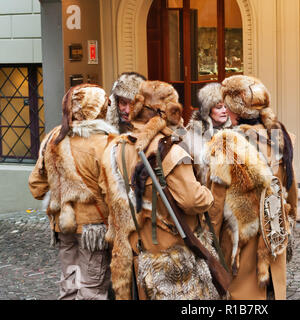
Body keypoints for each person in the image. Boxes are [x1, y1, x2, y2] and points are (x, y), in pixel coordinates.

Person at [100, 80, 219, 300]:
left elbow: (106, 193)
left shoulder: (117, 147)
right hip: (173, 256)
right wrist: (208, 192)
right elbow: (194, 201)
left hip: (139, 251)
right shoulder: (171, 151)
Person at [209, 75, 298, 300]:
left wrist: (210, 243)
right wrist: (289, 221)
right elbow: (292, 190)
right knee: (271, 292)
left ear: (235, 112)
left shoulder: (227, 145)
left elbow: (216, 205)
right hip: (273, 233)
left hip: (241, 243)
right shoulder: (278, 137)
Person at [28, 84, 118, 300]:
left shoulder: (53, 138)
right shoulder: (105, 143)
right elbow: (113, 193)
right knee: (92, 289)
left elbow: (36, 187)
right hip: (93, 229)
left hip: (63, 225)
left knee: (69, 284)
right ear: (98, 109)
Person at [183, 82, 232, 185]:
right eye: (219, 107)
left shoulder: (233, 131)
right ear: (208, 110)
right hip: (202, 194)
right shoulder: (191, 135)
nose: (224, 111)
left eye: (226, 107)